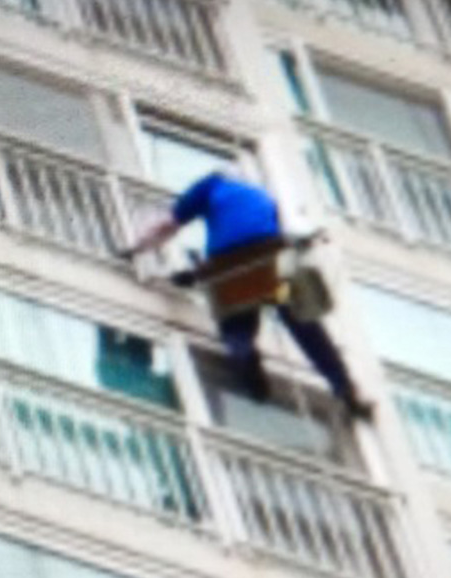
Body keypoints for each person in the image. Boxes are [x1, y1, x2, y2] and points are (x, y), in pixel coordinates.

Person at [123, 171, 373, 421]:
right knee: (303, 323)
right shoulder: (261, 195)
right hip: (270, 255)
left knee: (235, 322)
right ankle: (345, 388)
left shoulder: (209, 186)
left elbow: (167, 225)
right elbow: (275, 234)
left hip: (229, 260)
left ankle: (245, 356)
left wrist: (135, 249)